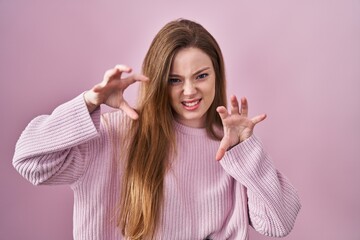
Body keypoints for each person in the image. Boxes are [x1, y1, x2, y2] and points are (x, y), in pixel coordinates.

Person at [13, 19, 301, 240]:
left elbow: (278, 223)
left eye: (201, 75)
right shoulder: (115, 134)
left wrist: (246, 151)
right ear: (158, 81)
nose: (190, 91)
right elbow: (30, 162)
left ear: (217, 75)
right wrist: (90, 103)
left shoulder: (232, 147)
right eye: (174, 80)